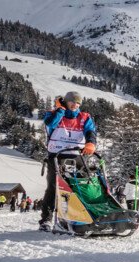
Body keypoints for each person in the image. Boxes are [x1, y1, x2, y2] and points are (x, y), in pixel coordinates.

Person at [40, 91, 98, 230]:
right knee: (53, 187)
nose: (75, 105)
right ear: (65, 101)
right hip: (56, 155)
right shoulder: (53, 114)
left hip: (77, 155)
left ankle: (83, 216)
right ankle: (46, 220)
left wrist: (91, 143)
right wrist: (60, 109)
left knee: (80, 185)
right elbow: (50, 124)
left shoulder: (84, 117)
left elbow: (90, 131)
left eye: (78, 103)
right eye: (72, 101)